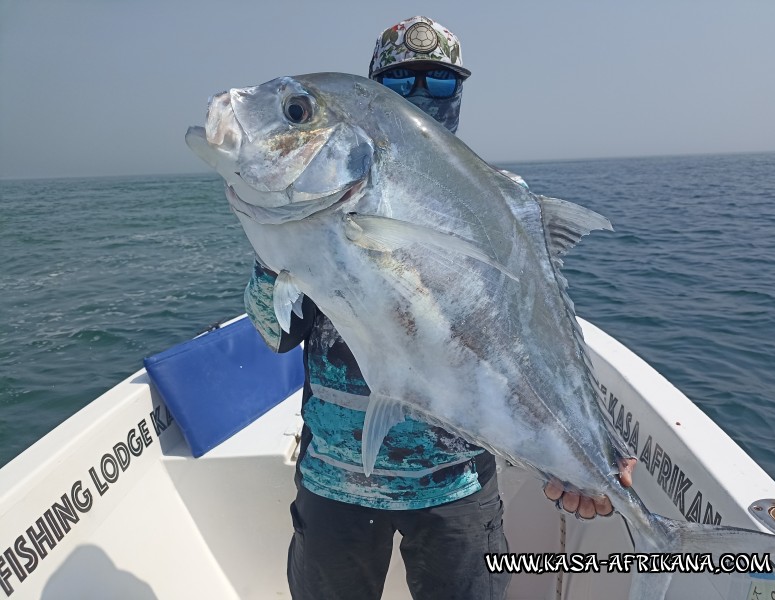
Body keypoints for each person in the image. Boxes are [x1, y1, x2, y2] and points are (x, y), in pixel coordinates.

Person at [245, 15, 635, 600]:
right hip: (335, 483)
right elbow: (274, 332)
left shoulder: (505, 200)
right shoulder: (317, 193)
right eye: (402, 83)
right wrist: (280, 256)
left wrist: (591, 446)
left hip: (457, 488)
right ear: (374, 96)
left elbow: (535, 340)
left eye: (442, 82)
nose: (424, 95)